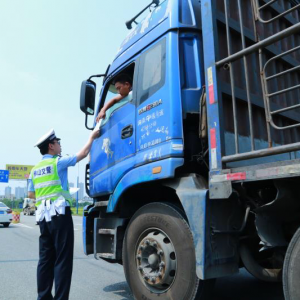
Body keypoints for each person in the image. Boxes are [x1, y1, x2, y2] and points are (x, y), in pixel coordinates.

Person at [28, 127, 99, 300]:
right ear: (51, 146)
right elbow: (81, 154)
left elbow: (31, 194)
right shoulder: (57, 162)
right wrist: (92, 136)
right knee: (62, 260)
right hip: (59, 215)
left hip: (43, 217)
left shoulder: (35, 169)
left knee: (45, 259)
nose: (60, 145)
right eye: (57, 142)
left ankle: (43, 297)